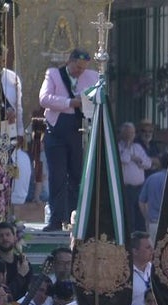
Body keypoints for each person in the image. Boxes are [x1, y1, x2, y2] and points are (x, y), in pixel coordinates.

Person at [39, 49, 98, 231]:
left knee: (77, 175)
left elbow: (98, 98)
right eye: (77, 67)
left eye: (83, 68)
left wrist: (85, 101)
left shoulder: (93, 76)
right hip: (57, 130)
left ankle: (75, 218)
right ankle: (56, 219)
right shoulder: (54, 74)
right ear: (69, 61)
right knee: (57, 175)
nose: (80, 71)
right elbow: (44, 99)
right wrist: (69, 103)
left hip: (80, 130)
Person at [118, 122, 152, 235]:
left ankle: (142, 235)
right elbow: (124, 159)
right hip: (127, 188)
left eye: (132, 133)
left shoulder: (137, 147)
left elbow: (148, 163)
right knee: (130, 214)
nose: (130, 136)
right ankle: (131, 235)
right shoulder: (119, 147)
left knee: (141, 214)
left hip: (140, 187)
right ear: (123, 134)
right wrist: (129, 150)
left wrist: (138, 160)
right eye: (128, 133)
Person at [0, 222, 31, 300]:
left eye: (8, 235)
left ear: (15, 237)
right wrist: (20, 275)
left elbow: (29, 289)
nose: (5, 238)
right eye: (1, 236)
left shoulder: (22, 262)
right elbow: (3, 295)